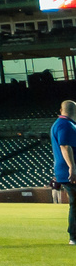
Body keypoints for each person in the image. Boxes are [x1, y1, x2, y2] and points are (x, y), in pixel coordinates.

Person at [51, 100, 76, 245]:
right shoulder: (64, 124)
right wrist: (72, 167)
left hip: (65, 171)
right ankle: (73, 236)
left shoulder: (63, 124)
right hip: (70, 172)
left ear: (61, 110)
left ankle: (73, 236)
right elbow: (65, 147)